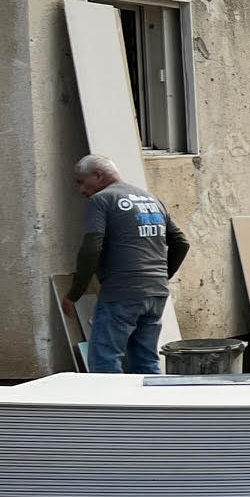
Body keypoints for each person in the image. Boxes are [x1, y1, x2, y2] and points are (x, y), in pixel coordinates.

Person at [62, 154, 190, 374]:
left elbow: (91, 248)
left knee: (104, 361)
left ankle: (112, 398)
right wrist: (161, 276)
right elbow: (181, 243)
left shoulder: (101, 200)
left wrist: (75, 293)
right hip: (156, 293)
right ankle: (152, 397)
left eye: (81, 182)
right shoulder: (151, 199)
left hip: (121, 292)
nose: (81, 190)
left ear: (98, 175)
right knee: (145, 361)